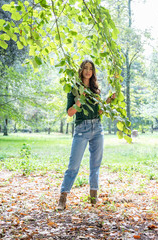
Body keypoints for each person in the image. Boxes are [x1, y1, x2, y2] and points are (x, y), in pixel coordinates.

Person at [57, 60, 116, 210]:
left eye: (91, 68)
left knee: (95, 165)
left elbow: (99, 112)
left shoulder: (96, 90)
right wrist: (79, 99)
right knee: (73, 166)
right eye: (85, 68)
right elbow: (70, 113)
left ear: (93, 72)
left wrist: (108, 101)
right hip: (81, 130)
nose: (88, 71)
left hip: (97, 127)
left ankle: (93, 199)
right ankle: (63, 198)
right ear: (81, 70)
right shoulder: (74, 89)